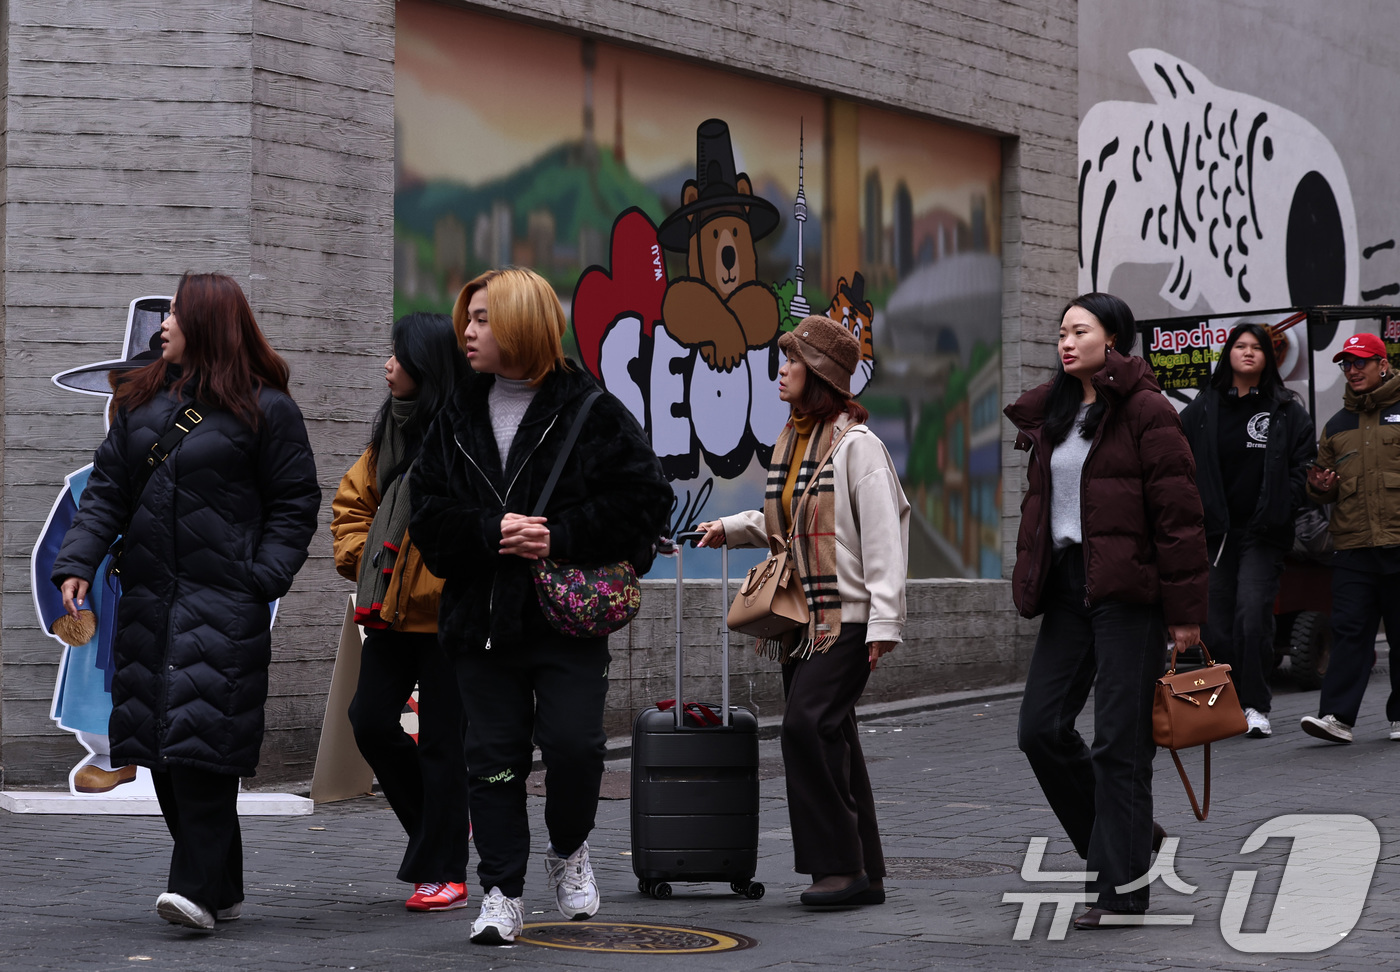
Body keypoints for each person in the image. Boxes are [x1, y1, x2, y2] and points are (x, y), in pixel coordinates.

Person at [51, 273, 320, 930]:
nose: (163, 324)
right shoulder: (143, 405)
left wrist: (264, 577)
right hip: (147, 601)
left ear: (204, 322)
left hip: (224, 601)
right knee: (162, 748)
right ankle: (221, 884)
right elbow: (108, 493)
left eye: (173, 312)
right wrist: (77, 561)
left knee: (201, 745)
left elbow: (295, 503)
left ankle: (193, 890)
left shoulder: (266, 410)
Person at [409, 267, 670, 945]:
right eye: (468, 317)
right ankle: (501, 892)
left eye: (484, 318)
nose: (467, 331)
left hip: (564, 621)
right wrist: (488, 532)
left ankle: (569, 847)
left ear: (523, 324)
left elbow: (644, 504)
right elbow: (428, 518)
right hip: (480, 623)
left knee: (574, 748)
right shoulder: (453, 415)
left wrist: (558, 535)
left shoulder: (589, 408)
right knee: (491, 760)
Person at [1005, 292, 1208, 929]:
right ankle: (1130, 836)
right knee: (1039, 729)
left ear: (1113, 339)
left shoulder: (1148, 411)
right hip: (1069, 589)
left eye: (1079, 331)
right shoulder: (1055, 412)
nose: (1066, 342)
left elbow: (1179, 519)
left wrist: (1185, 616)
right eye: (1061, 332)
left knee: (1120, 743)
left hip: (1130, 596)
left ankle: (1121, 891)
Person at [696, 314, 910, 908]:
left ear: (819, 374)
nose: (780, 371)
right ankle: (865, 870)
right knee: (832, 731)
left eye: (791, 361)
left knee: (805, 727)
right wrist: (729, 528)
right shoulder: (794, 440)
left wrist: (886, 623)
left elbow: (884, 536)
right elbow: (787, 523)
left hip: (846, 617)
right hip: (804, 621)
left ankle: (837, 867)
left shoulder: (858, 447)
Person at [331, 313, 471, 912]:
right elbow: (351, 506)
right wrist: (374, 564)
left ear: (426, 365)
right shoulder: (388, 430)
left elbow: (469, 527)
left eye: (398, 355)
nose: (388, 365)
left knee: (443, 743)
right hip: (389, 613)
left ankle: (446, 871)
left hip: (447, 617)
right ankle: (441, 827)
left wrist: (417, 569)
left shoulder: (465, 434)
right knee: (368, 721)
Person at [1180, 323, 1316, 739]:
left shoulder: (1286, 409)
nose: (1248, 352)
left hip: (1263, 533)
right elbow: (1176, 456)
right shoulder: (1204, 408)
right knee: (1217, 626)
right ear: (1229, 355)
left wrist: (1282, 503)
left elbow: (1304, 466)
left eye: (1257, 347)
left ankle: (1256, 705)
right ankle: (1227, 706)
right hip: (1216, 535)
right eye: (1240, 346)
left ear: (1268, 358)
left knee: (1252, 617)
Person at [1300, 332, 1400, 744]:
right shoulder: (1337, 425)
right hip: (1354, 547)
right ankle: (1336, 718)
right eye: (1347, 364)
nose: (1353, 370)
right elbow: (1321, 487)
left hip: (1398, 542)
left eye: (1361, 362)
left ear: (1383, 364)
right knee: (1349, 632)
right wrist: (1320, 485)